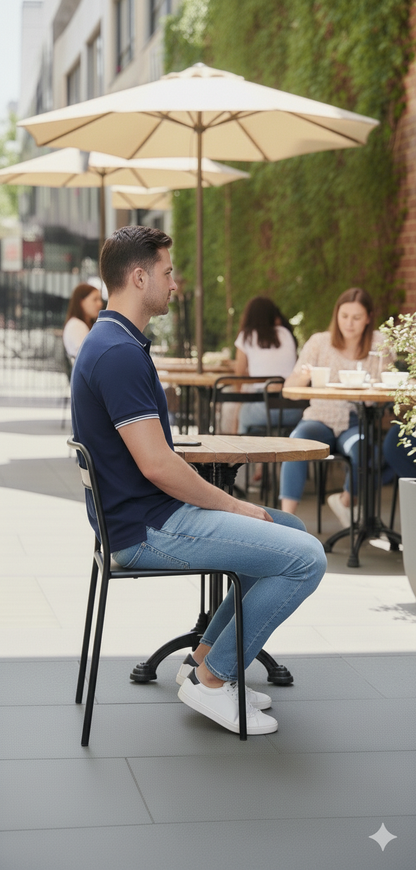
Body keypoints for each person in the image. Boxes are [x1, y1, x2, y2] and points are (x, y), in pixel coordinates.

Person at [70, 225, 326, 737]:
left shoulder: (114, 340)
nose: (174, 283)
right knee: (307, 557)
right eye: (167, 273)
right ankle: (213, 679)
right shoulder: (117, 353)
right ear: (139, 277)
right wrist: (234, 505)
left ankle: (205, 659)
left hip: (144, 515)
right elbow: (157, 466)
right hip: (148, 528)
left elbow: (150, 454)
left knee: (289, 529)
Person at [279, 287, 394, 527]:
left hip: (356, 421)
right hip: (319, 420)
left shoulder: (378, 345)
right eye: (344, 316)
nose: (349, 324)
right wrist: (303, 376)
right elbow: (290, 386)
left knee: (366, 450)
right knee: (297, 443)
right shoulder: (319, 342)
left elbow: (387, 384)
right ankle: (287, 521)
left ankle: (344, 501)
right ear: (336, 315)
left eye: (356, 317)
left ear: (369, 318)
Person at [234, 295, 302, 434]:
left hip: (263, 407)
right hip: (293, 408)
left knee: (240, 412)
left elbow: (239, 373)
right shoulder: (285, 333)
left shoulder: (247, 335)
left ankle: (239, 452)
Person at [63, 282, 103, 360]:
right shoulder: (77, 325)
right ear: (81, 302)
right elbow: (86, 358)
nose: (100, 304)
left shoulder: (78, 324)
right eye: (95, 300)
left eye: (99, 299)